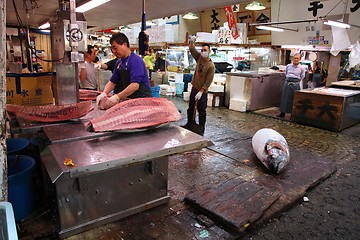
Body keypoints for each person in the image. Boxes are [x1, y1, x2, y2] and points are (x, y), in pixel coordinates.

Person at [96, 33, 152, 109]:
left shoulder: (135, 60)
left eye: (115, 48)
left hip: (143, 103)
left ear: (124, 45)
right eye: (112, 49)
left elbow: (135, 85)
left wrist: (117, 97)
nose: (113, 51)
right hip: (131, 102)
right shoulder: (119, 63)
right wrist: (104, 93)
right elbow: (112, 82)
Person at [181, 38, 215, 135]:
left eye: (205, 50)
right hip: (194, 88)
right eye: (202, 50)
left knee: (201, 110)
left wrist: (201, 91)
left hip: (202, 92)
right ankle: (190, 123)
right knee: (191, 107)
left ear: (209, 51)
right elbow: (192, 50)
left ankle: (201, 128)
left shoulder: (211, 66)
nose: (203, 52)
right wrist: (192, 41)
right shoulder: (199, 58)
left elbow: (209, 81)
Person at [277, 53, 305, 118]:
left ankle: (292, 114)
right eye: (295, 58)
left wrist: (295, 81)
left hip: (295, 84)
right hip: (287, 83)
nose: (296, 59)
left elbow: (302, 76)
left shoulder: (302, 68)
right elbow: (286, 73)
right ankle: (282, 112)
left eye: (297, 58)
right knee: (284, 98)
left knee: (293, 99)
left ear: (300, 59)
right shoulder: (288, 66)